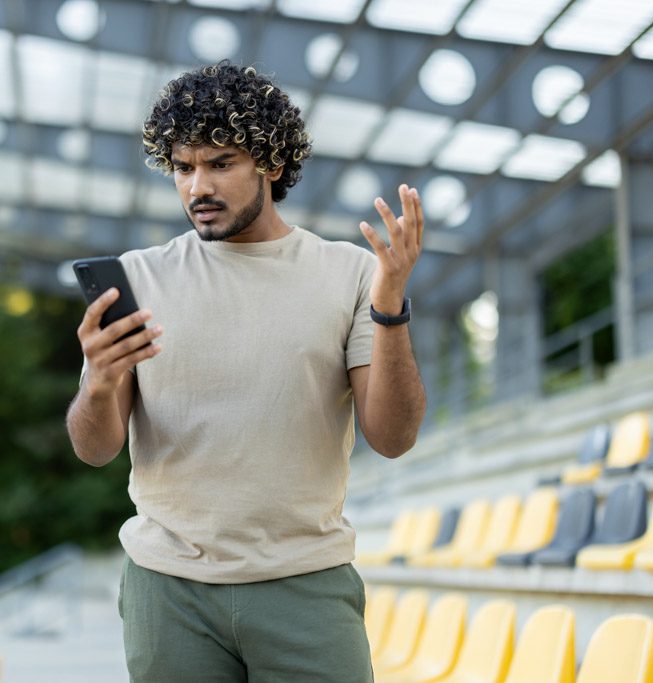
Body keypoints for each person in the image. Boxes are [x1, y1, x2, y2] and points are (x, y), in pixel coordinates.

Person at [66, 61, 426, 682]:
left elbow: (392, 438)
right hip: (169, 591)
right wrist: (97, 384)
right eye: (183, 167)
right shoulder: (139, 279)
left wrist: (390, 306)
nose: (196, 186)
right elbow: (95, 449)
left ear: (272, 163)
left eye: (220, 162)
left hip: (306, 585)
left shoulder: (351, 274)